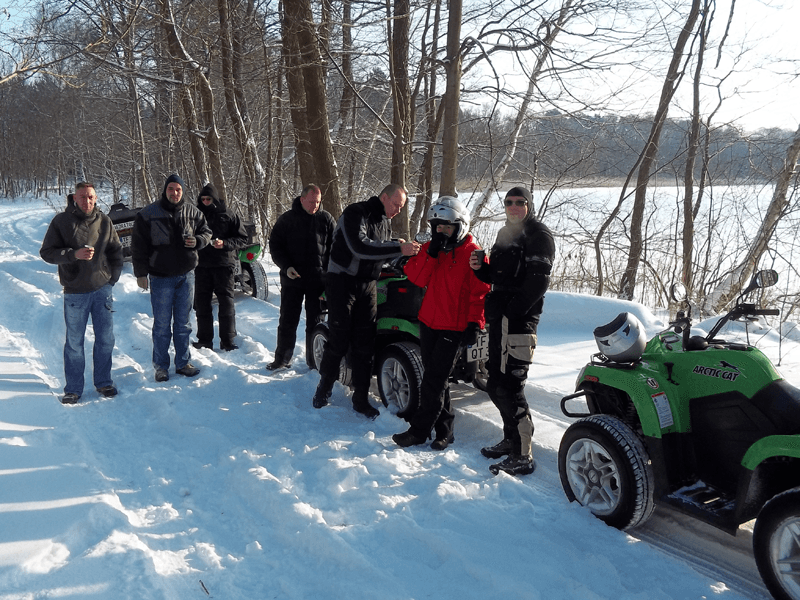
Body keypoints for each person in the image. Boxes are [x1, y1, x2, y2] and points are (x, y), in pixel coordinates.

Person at [311, 184, 420, 417]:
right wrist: (398, 247)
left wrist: (398, 249)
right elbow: (360, 247)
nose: (397, 211)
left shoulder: (383, 221)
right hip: (342, 282)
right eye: (396, 205)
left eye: (401, 208)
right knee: (339, 339)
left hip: (368, 285)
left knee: (365, 342)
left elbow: (380, 247)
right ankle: (324, 388)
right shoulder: (355, 213)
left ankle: (360, 398)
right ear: (383, 197)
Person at [470, 186, 555, 476]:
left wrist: (511, 312)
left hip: (518, 322)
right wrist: (481, 268)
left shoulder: (538, 235)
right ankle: (510, 439)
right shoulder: (505, 233)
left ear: (529, 205)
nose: (515, 206)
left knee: (511, 387)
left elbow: (537, 283)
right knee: (495, 384)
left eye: (520, 202)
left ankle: (523, 454)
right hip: (499, 320)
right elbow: (498, 277)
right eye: (509, 202)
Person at [392, 197, 489, 450]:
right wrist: (432, 253)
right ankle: (445, 431)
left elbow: (480, 292)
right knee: (437, 379)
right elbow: (415, 277)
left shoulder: (473, 253)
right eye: (438, 227)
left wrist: (475, 323)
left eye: (447, 227)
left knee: (433, 380)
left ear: (460, 226)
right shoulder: (432, 250)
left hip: (454, 326)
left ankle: (419, 431)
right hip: (428, 322)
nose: (442, 232)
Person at [40, 182, 123, 404]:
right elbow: (47, 252)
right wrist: (72, 254)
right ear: (74, 198)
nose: (87, 201)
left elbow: (116, 251)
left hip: (102, 289)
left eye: (91, 197)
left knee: (105, 339)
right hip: (75, 292)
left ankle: (104, 381)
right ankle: (74, 389)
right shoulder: (61, 221)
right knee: (75, 343)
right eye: (83, 197)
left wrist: (112, 278)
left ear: (96, 198)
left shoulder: (104, 221)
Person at [131, 174, 212, 382]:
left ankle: (183, 363)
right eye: (171, 189)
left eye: (178, 189)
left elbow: (206, 232)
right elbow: (138, 246)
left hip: (186, 276)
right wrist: (140, 272)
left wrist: (198, 241)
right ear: (164, 190)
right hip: (160, 277)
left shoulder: (193, 212)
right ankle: (161, 366)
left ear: (182, 191)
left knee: (183, 324)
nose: (174, 193)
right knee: (161, 325)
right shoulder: (148, 214)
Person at [267, 183, 335, 370]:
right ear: (302, 199)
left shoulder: (326, 219)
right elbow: (275, 247)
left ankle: (314, 362)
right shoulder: (287, 220)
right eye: (312, 202)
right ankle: (282, 359)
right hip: (293, 279)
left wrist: (329, 276)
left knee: (316, 323)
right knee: (288, 321)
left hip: (318, 281)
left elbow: (334, 249)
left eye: (318, 202)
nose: (315, 206)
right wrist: (286, 266)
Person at [193, 182, 249, 351]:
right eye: (202, 199)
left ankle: (228, 340)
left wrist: (224, 243)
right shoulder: (195, 215)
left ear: (215, 199)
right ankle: (204, 340)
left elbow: (242, 238)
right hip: (201, 265)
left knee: (226, 303)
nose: (205, 202)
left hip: (224, 264)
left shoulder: (228, 214)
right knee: (202, 304)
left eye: (208, 199)